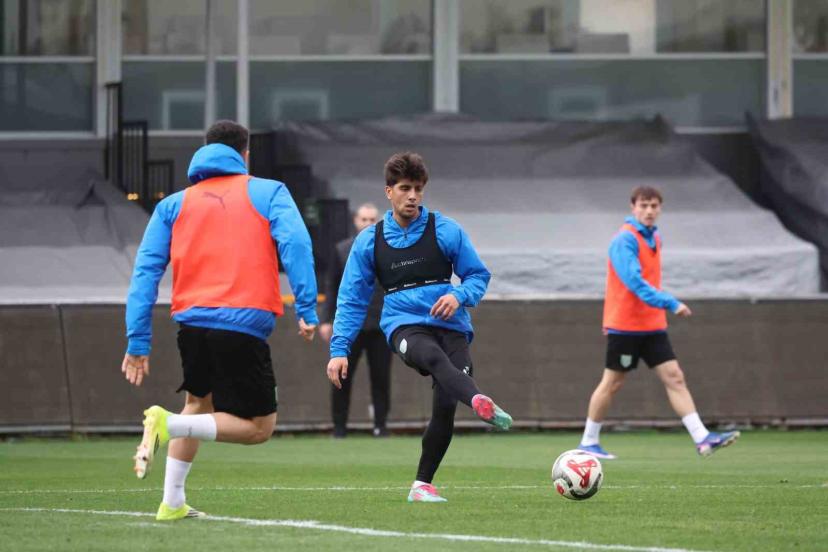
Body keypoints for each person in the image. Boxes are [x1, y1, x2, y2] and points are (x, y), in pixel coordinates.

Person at [122, 120, 318, 521]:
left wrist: (137, 340)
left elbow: (145, 272)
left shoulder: (172, 205)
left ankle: (171, 502)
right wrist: (307, 308)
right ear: (245, 155)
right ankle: (168, 424)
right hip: (241, 325)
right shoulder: (268, 192)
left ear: (205, 151)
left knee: (199, 403)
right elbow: (296, 244)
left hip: (191, 327)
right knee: (259, 428)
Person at [326, 152, 512, 503]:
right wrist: (339, 350)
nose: (412, 196)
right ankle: (477, 398)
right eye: (404, 188)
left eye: (418, 189)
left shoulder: (446, 229)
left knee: (445, 403)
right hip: (404, 326)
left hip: (451, 326)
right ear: (389, 192)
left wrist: (458, 295)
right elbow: (351, 300)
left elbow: (477, 275)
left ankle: (421, 485)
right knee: (433, 358)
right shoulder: (369, 241)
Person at [577, 186, 739, 459]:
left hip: (652, 325)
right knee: (612, 383)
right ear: (633, 207)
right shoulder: (624, 240)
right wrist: (670, 302)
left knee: (675, 377)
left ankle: (702, 438)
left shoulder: (655, 237)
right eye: (644, 205)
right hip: (625, 326)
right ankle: (588, 442)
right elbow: (634, 282)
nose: (649, 211)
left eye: (654, 206)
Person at [319, 203, 392, 438]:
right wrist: (326, 320)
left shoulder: (389, 248)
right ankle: (339, 427)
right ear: (355, 220)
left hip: (381, 324)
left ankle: (380, 426)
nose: (368, 223)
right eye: (364, 219)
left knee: (381, 377)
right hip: (351, 326)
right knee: (341, 376)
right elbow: (332, 286)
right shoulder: (342, 249)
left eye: (372, 219)